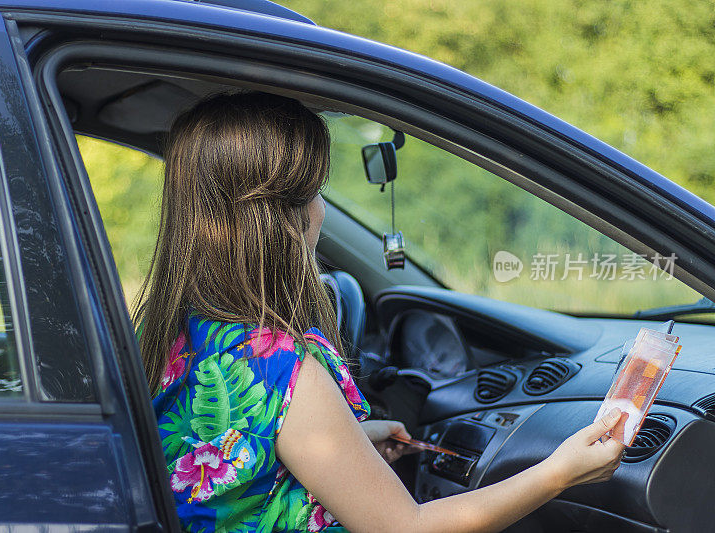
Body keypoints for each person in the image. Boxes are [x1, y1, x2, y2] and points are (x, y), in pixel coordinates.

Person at [135, 91, 627, 533]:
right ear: (283, 216)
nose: (320, 210)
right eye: (315, 190)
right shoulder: (280, 366)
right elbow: (408, 529)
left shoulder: (183, 334)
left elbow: (240, 462)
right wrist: (558, 474)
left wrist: (352, 441)